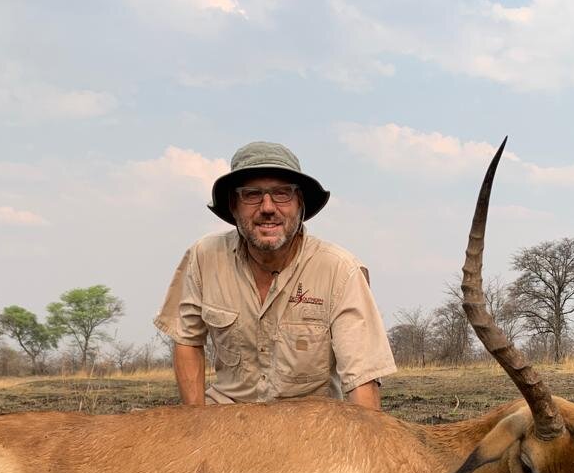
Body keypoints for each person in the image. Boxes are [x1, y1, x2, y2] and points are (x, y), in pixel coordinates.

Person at [155, 141, 396, 409]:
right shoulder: (204, 256)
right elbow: (187, 340)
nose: (268, 207)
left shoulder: (340, 270)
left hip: (309, 426)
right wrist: (196, 424)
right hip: (223, 419)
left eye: (282, 194)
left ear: (300, 205)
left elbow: (362, 378)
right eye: (252, 194)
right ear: (234, 205)